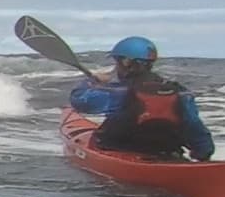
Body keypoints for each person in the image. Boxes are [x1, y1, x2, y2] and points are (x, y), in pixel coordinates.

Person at [68, 36, 216, 161]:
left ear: (126, 62)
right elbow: (194, 126)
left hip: (118, 150)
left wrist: (92, 82)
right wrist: (202, 154)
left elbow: (80, 101)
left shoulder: (118, 92)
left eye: (117, 62)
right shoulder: (181, 93)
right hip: (166, 153)